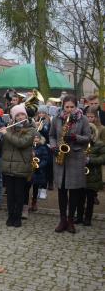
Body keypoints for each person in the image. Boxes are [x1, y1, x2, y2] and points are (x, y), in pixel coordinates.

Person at [49, 95, 90, 234]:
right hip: (61, 158)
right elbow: (52, 135)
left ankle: (71, 220)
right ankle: (62, 220)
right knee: (61, 190)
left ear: (76, 106)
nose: (69, 110)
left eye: (72, 107)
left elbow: (88, 137)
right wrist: (54, 147)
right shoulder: (57, 118)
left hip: (76, 157)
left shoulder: (82, 119)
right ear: (63, 106)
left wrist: (75, 137)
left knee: (74, 192)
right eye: (67, 107)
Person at [0, 104, 36, 227]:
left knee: (19, 194)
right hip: (8, 165)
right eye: (17, 115)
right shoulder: (10, 128)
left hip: (22, 166)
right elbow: (2, 147)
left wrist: (6, 134)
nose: (20, 117)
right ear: (13, 117)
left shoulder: (30, 129)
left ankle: (18, 217)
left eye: (22, 114)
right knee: (11, 194)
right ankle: (10, 216)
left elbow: (21, 143)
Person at [81, 123, 104, 226]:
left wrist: (90, 160)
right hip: (80, 174)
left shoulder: (99, 144)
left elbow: (103, 159)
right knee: (79, 198)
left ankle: (88, 218)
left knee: (90, 199)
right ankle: (79, 216)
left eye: (90, 132)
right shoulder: (81, 143)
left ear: (93, 133)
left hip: (93, 175)